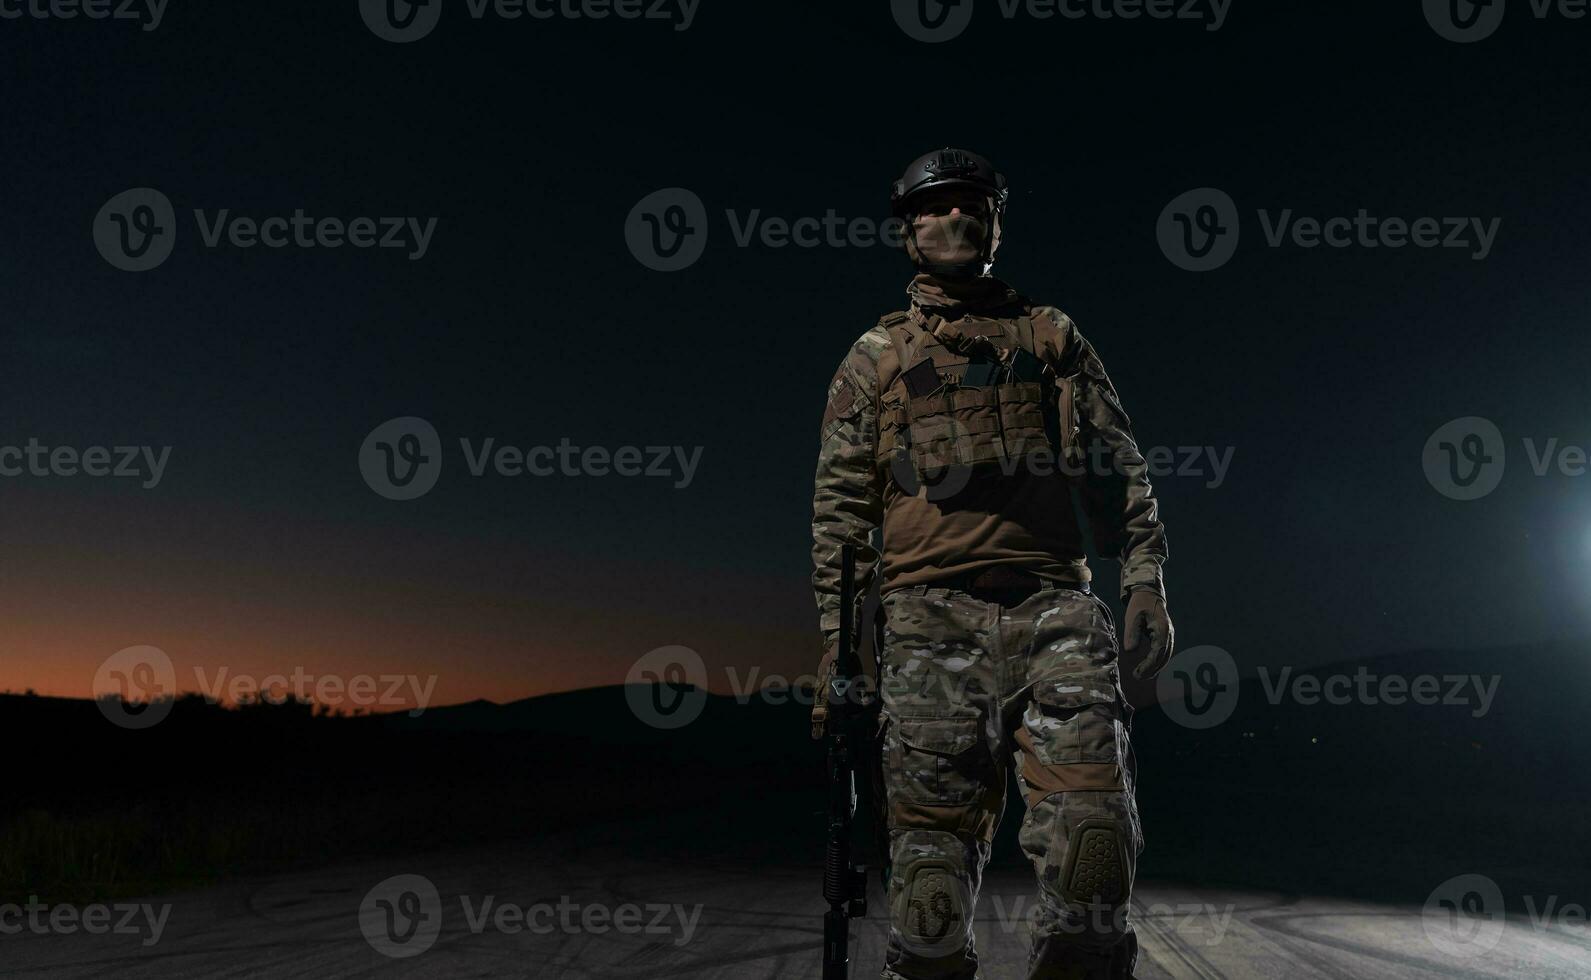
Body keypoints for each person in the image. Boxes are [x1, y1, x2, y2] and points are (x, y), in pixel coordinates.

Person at [810, 147, 1175, 979]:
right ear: (907, 231)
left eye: (973, 205)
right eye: (934, 208)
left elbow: (1117, 465)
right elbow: (840, 516)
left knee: (1094, 856)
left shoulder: (1050, 337)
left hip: (1057, 612)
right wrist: (840, 645)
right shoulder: (874, 359)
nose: (956, 219)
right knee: (929, 893)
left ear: (996, 223)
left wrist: (1146, 576)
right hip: (927, 621)